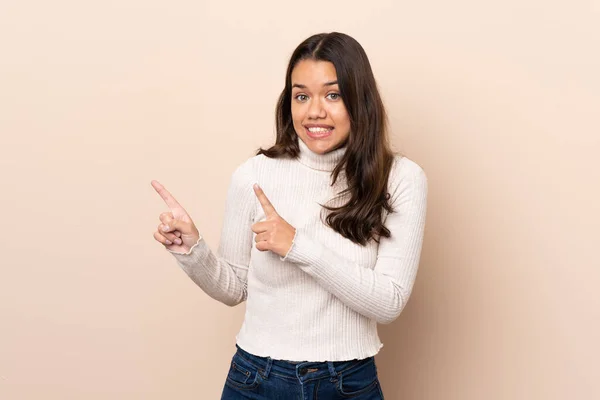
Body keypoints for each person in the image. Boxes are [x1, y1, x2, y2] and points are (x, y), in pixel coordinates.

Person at [151, 32, 428, 400]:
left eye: (333, 95)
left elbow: (389, 302)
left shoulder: (401, 179)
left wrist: (298, 245)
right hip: (256, 379)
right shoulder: (255, 174)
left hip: (348, 384)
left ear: (360, 101)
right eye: (301, 96)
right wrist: (192, 250)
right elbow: (235, 287)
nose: (314, 111)